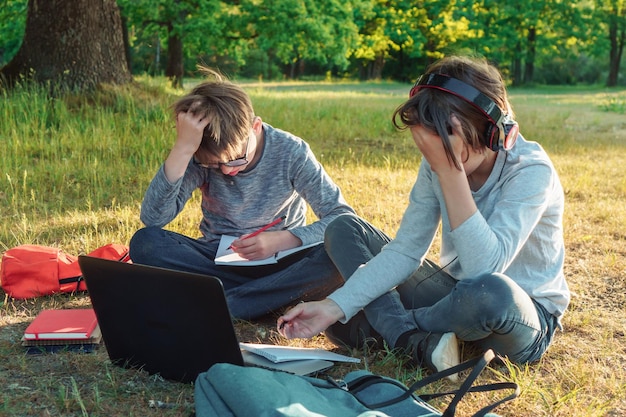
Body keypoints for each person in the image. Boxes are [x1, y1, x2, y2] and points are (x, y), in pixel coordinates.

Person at [278, 55, 570, 377]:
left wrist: (449, 171)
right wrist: (335, 305)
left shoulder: (530, 170)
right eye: (430, 148)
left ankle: (396, 331)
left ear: (492, 132)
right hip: (453, 297)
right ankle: (414, 339)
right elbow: (406, 250)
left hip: (517, 315)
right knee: (344, 230)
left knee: (489, 292)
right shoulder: (437, 161)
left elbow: (484, 270)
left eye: (448, 146)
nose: (436, 158)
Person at [129, 67, 355, 320]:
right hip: (216, 262)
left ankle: (224, 300)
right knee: (146, 242)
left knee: (338, 258)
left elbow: (343, 219)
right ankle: (259, 299)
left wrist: (282, 240)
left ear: (255, 126)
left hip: (284, 263)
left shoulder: (291, 152)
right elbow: (154, 218)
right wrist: (182, 149)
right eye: (215, 165)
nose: (227, 171)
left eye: (236, 160)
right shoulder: (199, 155)